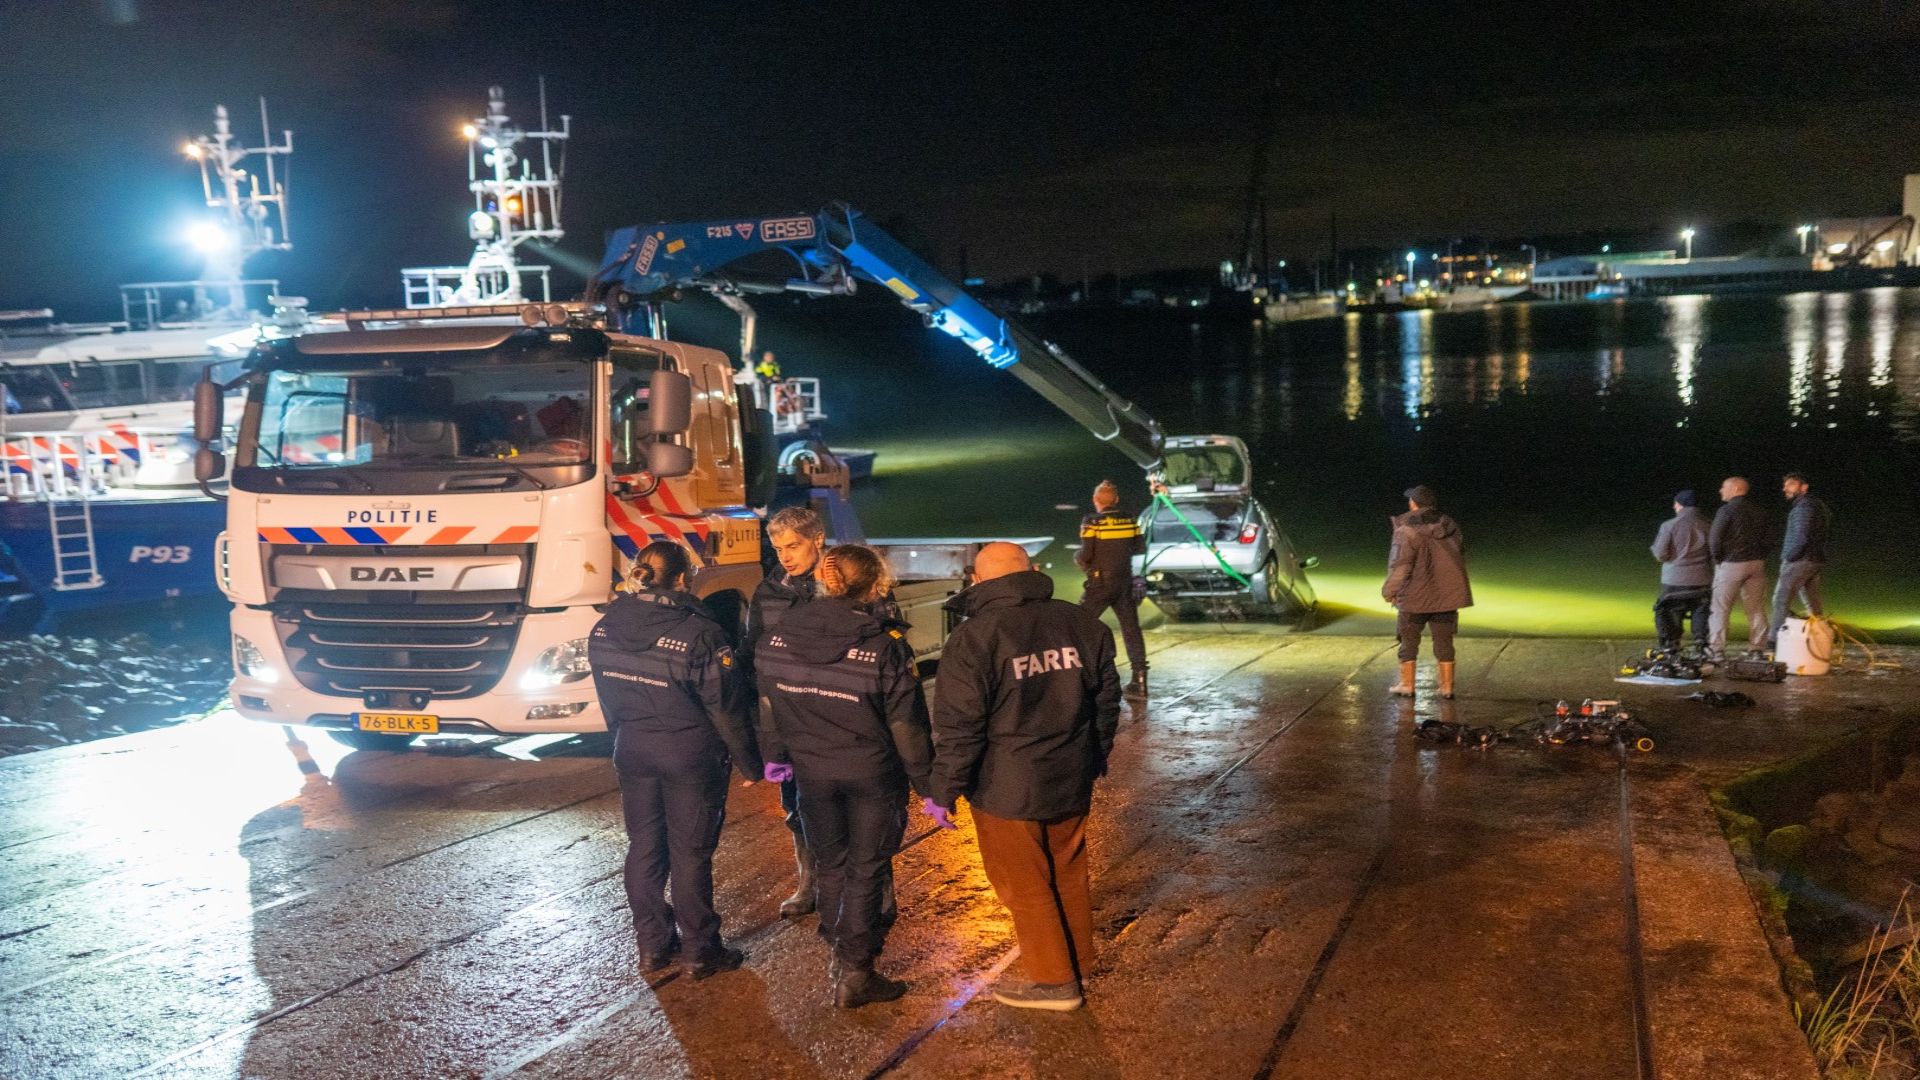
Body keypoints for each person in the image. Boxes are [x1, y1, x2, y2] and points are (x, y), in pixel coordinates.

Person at [927, 541, 1121, 1012]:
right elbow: (1107, 703)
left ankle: (1055, 982)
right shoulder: (1083, 624)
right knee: (1069, 869)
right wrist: (1093, 757)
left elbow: (960, 725)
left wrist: (943, 789)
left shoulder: (975, 638)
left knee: (1024, 881)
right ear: (1032, 571)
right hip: (1070, 773)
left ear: (977, 581)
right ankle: (1078, 959)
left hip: (1006, 784)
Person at [754, 544, 934, 1009]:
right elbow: (907, 727)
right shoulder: (883, 644)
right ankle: (856, 972)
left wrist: (776, 755)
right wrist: (930, 787)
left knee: (831, 863)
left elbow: (770, 705)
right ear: (875, 586)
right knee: (867, 868)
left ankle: (839, 952)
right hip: (871, 773)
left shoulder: (777, 637)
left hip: (812, 773)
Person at [588, 541, 764, 980]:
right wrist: (751, 764)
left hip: (632, 747)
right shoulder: (699, 632)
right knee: (689, 853)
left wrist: (625, 732)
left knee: (644, 848)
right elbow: (724, 707)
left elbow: (607, 697)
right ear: (684, 579)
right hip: (690, 754)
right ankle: (701, 950)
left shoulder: (606, 627)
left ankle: (652, 947)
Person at [741, 506, 828, 918]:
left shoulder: (842, 581)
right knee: (795, 808)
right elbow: (752, 651)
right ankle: (808, 884)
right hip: (787, 723)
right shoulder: (769, 590)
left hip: (834, 719)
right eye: (778, 548)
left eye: (793, 546)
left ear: (818, 539)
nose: (786, 556)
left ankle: (862, 894)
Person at [1381, 485, 1473, 699]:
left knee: (1408, 641)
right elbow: (1460, 554)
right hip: (1447, 596)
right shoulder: (1449, 526)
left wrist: (1389, 591)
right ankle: (1447, 687)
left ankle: (1407, 685)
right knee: (1444, 642)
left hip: (1415, 598)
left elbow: (1401, 565)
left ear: (1414, 504)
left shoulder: (1406, 530)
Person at [1077, 480, 1148, 699]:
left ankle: (1079, 678)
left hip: (1099, 584)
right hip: (1124, 583)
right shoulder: (1129, 520)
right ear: (1116, 500)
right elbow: (1139, 547)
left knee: (1077, 625)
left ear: (1096, 500)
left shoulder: (1091, 521)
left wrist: (1078, 558)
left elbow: (1086, 555)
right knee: (1131, 629)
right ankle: (1140, 681)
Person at [1708, 475, 1769, 659]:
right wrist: (1760, 555)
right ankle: (1757, 649)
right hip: (1756, 564)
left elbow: (1715, 539)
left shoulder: (1726, 511)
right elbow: (1770, 538)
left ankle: (1716, 650)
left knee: (1720, 608)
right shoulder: (1760, 511)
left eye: (1723, 487)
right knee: (1756, 608)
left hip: (1732, 564)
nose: (1721, 490)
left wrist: (1718, 559)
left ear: (1735, 489)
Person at [1769, 472, 1831, 643]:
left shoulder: (1804, 507)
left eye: (1790, 484)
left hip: (1800, 560)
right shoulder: (1818, 506)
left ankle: (1774, 642)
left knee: (1781, 599)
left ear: (1804, 487)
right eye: (1785, 485)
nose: (1785, 489)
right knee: (1812, 603)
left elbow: (1802, 536)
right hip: (1814, 559)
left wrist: (1789, 557)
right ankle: (1821, 638)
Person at [1650, 489, 1712, 653]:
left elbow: (1661, 554)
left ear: (1679, 505)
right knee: (1701, 608)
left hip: (1675, 579)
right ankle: (1700, 641)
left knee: (1669, 609)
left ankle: (1672, 642)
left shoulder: (1669, 525)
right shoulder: (1708, 524)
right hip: (1703, 578)